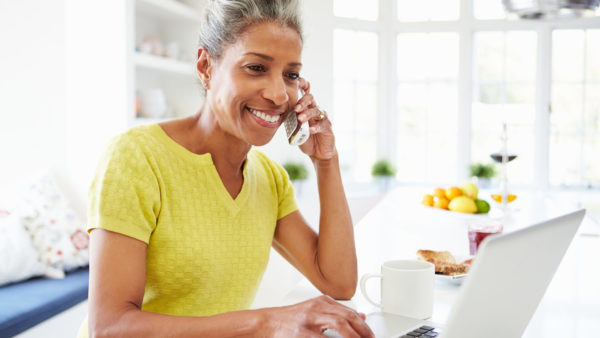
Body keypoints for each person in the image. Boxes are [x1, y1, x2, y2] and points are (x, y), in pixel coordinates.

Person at [78, 0, 373, 336]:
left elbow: (338, 281)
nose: (279, 95)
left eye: (291, 75)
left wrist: (326, 161)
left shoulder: (269, 179)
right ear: (206, 67)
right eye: (256, 68)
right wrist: (269, 320)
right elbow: (109, 327)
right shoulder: (136, 158)